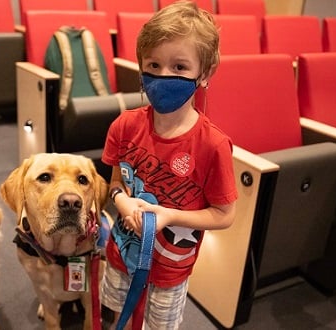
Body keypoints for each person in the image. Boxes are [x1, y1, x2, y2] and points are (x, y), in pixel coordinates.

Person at [100, 1, 238, 329]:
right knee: (111, 320)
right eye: (154, 64)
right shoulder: (124, 126)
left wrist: (170, 216)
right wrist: (121, 201)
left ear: (203, 74)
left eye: (179, 67)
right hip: (120, 252)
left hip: (170, 271)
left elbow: (224, 214)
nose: (163, 76)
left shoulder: (213, 145)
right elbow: (116, 182)